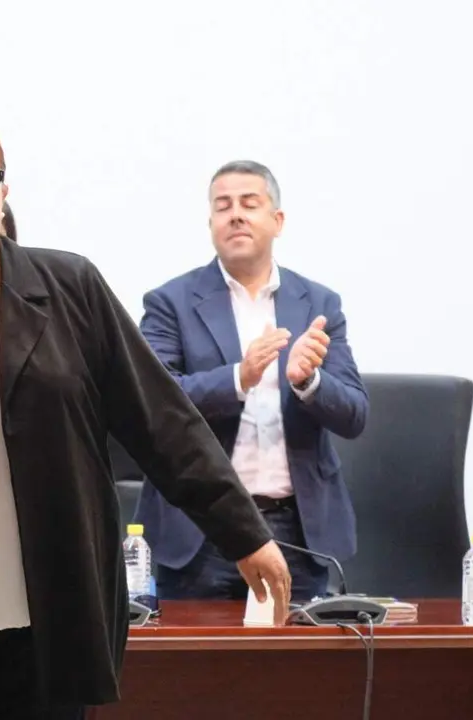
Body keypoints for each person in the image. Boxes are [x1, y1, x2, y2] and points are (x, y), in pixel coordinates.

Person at [0, 117, 291, 720]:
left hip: (50, 617)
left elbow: (163, 422)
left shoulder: (70, 287)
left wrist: (244, 533)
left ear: (4, 193)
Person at [136, 160, 368, 603]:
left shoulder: (319, 303)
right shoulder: (170, 303)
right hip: (202, 525)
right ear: (210, 223)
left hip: (296, 530)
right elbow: (152, 402)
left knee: (296, 650)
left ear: (277, 220)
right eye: (223, 206)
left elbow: (355, 414)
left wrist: (309, 382)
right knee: (193, 650)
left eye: (249, 203)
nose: (236, 215)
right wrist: (238, 379)